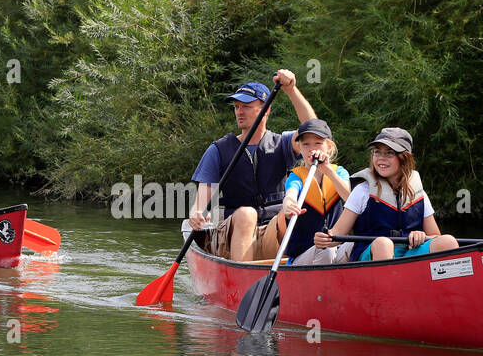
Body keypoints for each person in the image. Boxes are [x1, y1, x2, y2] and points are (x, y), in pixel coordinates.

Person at [186, 69, 317, 262]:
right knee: (247, 214)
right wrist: (196, 213)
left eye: (246, 106)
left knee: (294, 214)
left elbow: (314, 128)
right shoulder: (218, 150)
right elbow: (202, 199)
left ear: (267, 109)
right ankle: (243, 278)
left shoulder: (282, 144)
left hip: (272, 229)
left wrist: (291, 90)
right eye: (237, 107)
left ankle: (290, 272)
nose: (239, 112)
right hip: (232, 232)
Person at [314, 127, 459, 262]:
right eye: (377, 151)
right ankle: (385, 287)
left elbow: (435, 236)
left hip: (409, 252)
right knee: (384, 243)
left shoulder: (418, 193)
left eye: (389, 153)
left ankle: (448, 288)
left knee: (448, 242)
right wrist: (325, 238)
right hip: (371, 253)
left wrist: (423, 236)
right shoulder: (362, 190)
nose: (381, 158)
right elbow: (337, 233)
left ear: (405, 158)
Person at [272, 119, 353, 265]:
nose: (312, 149)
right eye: (306, 144)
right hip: (304, 257)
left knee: (355, 246)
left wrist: (327, 170)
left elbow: (349, 197)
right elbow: (290, 195)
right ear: (300, 149)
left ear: (328, 147)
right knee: (325, 248)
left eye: (318, 143)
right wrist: (289, 204)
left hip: (334, 250)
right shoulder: (296, 176)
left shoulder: (339, 173)